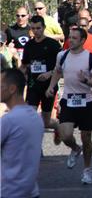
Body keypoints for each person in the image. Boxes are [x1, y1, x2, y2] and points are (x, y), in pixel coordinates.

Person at [46, 27, 92, 185]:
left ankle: (87, 170)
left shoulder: (91, 58)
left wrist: (87, 81)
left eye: (75, 38)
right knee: (65, 135)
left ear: (83, 40)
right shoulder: (62, 56)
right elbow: (57, 72)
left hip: (87, 102)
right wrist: (51, 86)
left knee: (87, 138)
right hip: (69, 101)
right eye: (70, 37)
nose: (71, 40)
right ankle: (75, 149)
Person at [1, 68, 44, 198]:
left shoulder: (9, 120)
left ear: (12, 89)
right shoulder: (36, 117)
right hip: (31, 191)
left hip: (9, 192)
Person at [20, 16, 61, 140]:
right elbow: (24, 65)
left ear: (44, 28)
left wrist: (50, 73)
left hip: (49, 86)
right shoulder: (29, 45)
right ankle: (36, 146)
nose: (36, 31)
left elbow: (62, 66)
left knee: (46, 122)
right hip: (33, 85)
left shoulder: (53, 45)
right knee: (30, 117)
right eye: (33, 28)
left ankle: (58, 127)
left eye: (38, 28)